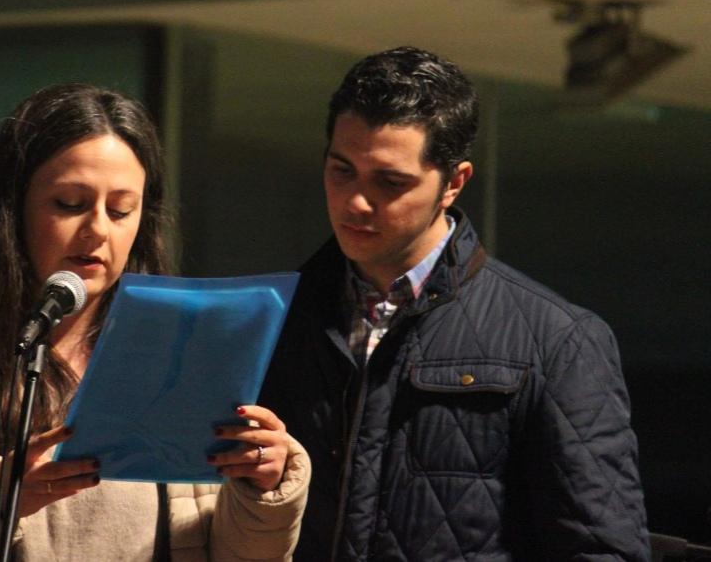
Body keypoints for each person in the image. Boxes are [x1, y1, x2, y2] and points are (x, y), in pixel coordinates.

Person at [0, 84, 310, 561]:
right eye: (70, 204)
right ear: (12, 210)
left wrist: (261, 488)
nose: (98, 228)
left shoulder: (183, 352)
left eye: (121, 210)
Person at [260, 47, 649, 560]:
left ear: (454, 182)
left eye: (390, 182)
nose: (356, 200)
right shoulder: (271, 316)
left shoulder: (556, 339)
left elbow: (601, 548)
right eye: (342, 171)